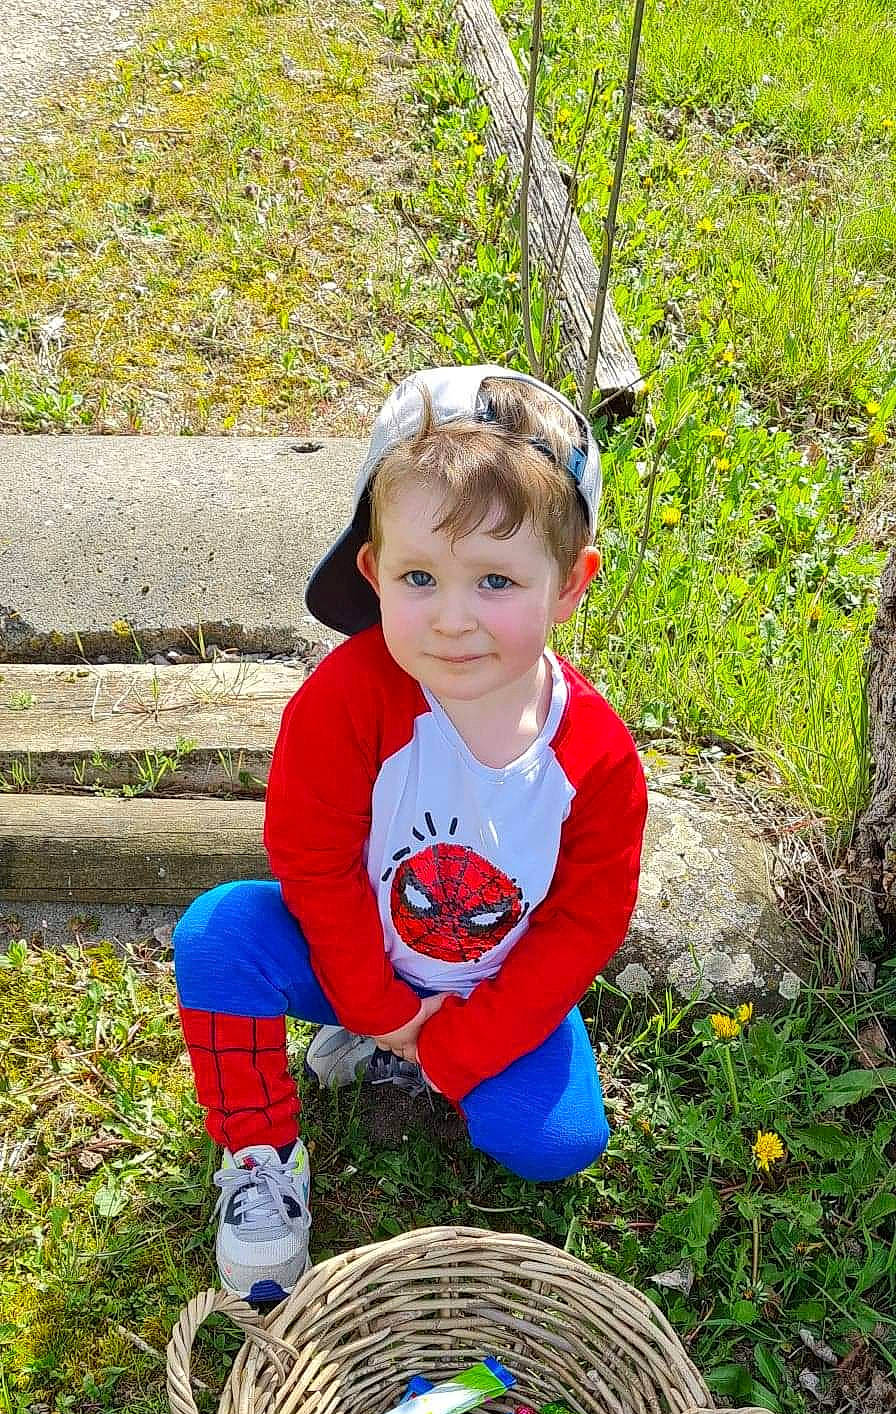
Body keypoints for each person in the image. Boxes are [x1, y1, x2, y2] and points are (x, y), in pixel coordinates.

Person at [173, 364, 648, 1305]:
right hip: (357, 960)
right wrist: (378, 1004)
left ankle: (428, 1064)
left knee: (557, 1146)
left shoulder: (595, 760)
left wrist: (463, 1045)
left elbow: (583, 928)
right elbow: (312, 857)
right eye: (420, 576)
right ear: (373, 570)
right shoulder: (346, 701)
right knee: (220, 935)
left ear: (571, 585)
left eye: (498, 580)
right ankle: (261, 1153)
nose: (452, 618)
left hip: (494, 978)